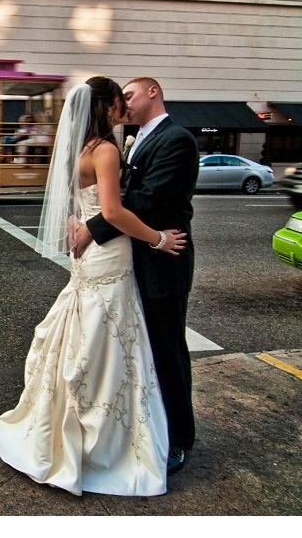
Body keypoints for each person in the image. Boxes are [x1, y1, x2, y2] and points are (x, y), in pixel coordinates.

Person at [0, 77, 187, 497]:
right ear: (109, 105)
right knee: (111, 338)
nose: (126, 106)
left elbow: (82, 202)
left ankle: (78, 423)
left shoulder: (82, 150)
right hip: (112, 255)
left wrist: (78, 227)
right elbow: (115, 210)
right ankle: (109, 433)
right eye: (122, 98)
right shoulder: (108, 149)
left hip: (93, 257)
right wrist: (158, 239)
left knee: (92, 334)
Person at [83, 77, 200, 477]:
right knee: (142, 355)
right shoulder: (135, 140)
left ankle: (180, 439)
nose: (124, 103)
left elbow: (147, 199)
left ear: (153, 92)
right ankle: (146, 428)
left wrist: (92, 226)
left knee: (168, 354)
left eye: (129, 94)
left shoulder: (177, 139)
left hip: (163, 262)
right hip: (132, 261)